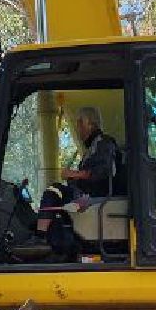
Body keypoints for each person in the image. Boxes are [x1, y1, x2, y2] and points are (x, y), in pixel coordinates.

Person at [35, 106, 122, 255]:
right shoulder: (92, 147)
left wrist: (74, 174)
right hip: (86, 194)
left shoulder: (104, 143)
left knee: (53, 191)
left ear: (91, 123)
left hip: (94, 197)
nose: (78, 128)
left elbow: (104, 171)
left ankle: (39, 238)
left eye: (80, 123)